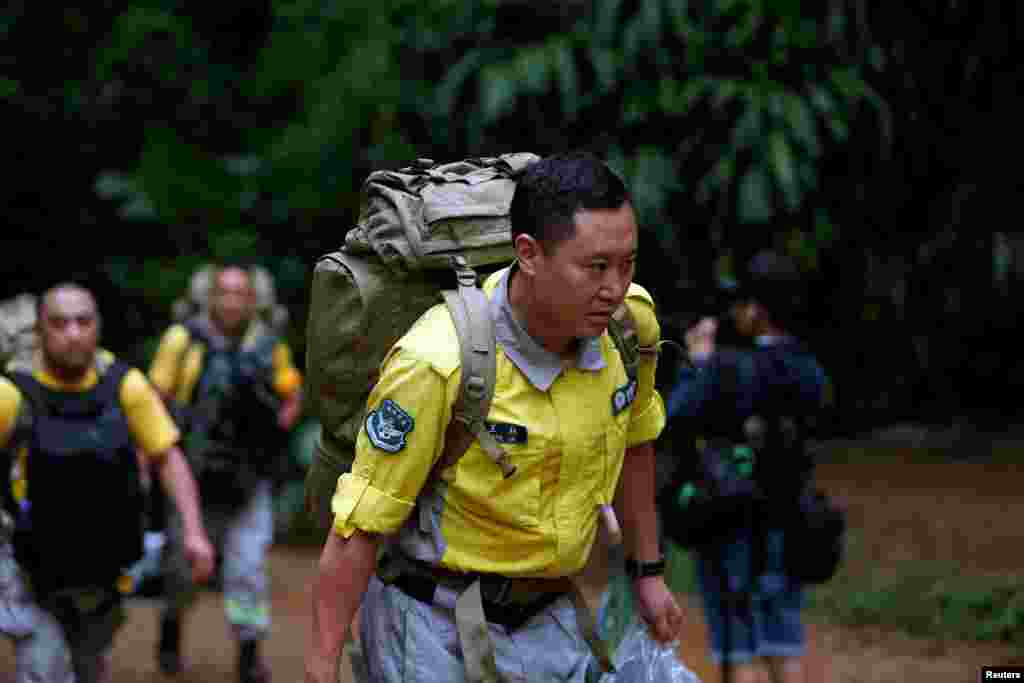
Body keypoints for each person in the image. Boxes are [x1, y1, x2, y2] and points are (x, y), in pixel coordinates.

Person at [305, 152, 684, 683]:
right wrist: (321, 670)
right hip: (429, 624)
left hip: (551, 614)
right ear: (528, 254)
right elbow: (358, 533)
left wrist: (647, 572)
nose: (615, 287)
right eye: (595, 267)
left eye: (627, 264)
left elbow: (636, 440)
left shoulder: (628, 328)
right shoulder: (439, 362)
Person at [0, 283, 215, 683]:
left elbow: (168, 457)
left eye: (83, 321)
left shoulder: (125, 386)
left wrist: (194, 531)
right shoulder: (11, 394)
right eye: (59, 323)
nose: (73, 333)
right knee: (45, 669)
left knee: (88, 665)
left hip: (103, 565)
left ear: (98, 327)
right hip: (29, 563)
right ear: (40, 331)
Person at [665, 249, 828, 683]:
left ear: (757, 309)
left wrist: (696, 363)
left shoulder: (725, 368)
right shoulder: (810, 370)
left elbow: (675, 416)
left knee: (738, 646)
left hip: (731, 523)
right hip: (791, 518)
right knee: (782, 641)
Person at [147, 264, 303, 683]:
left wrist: (273, 430)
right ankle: (171, 628)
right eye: (225, 292)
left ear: (253, 300)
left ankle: (249, 653)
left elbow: (292, 396)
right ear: (210, 297)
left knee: (248, 569)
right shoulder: (183, 341)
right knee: (182, 570)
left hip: (248, 480)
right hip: (191, 479)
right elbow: (153, 399)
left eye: (241, 293)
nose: (232, 301)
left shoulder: (269, 345)